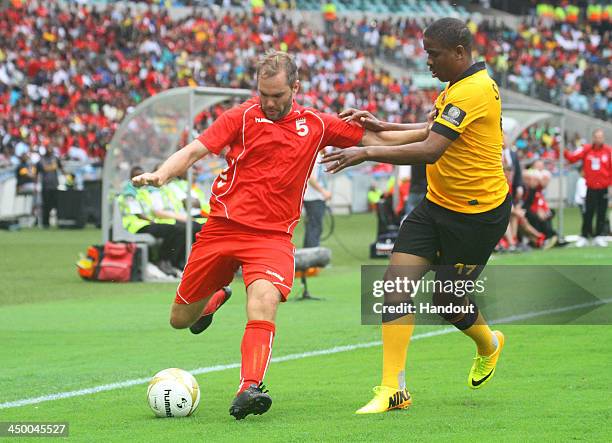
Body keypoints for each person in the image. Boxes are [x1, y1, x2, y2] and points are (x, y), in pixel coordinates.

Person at [132, 50, 431, 420]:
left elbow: (375, 138)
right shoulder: (240, 116)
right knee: (180, 319)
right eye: (263, 94)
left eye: (277, 95)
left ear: (295, 87)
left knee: (263, 300)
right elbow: (195, 150)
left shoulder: (316, 124)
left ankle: (249, 388)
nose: (269, 102)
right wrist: (161, 175)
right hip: (221, 229)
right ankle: (214, 299)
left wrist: (431, 131)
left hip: (272, 238)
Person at [323, 18, 511, 414]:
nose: (427, 61)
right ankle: (393, 389)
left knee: (447, 299)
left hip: (477, 217)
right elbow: (431, 127)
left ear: (460, 53)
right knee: (394, 286)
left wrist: (366, 151)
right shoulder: (458, 87)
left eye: (433, 54)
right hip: (436, 207)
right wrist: (383, 125)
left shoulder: (474, 91)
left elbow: (430, 149)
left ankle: (489, 343)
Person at [563, 128, 611, 247]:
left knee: (601, 212)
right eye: (597, 137)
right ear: (593, 138)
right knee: (588, 212)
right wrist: (562, 150)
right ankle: (584, 235)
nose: (599, 139)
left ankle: (598, 236)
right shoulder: (586, 150)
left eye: (601, 137)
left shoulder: (608, 151)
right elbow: (572, 158)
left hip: (604, 187)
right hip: (590, 187)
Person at [303, 152, 332, 248]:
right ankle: (312, 255)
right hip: (313, 197)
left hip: (316, 197)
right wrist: (323, 191)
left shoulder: (319, 156)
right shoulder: (315, 157)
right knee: (314, 228)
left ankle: (308, 255)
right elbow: (311, 178)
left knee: (313, 227)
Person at [36, 145, 64, 228]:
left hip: (55, 185)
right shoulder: (42, 159)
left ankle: (60, 222)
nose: (50, 150)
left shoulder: (55, 158)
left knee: (57, 204)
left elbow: (60, 167)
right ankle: (45, 223)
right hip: (46, 185)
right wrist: (52, 166)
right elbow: (44, 168)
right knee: (46, 205)